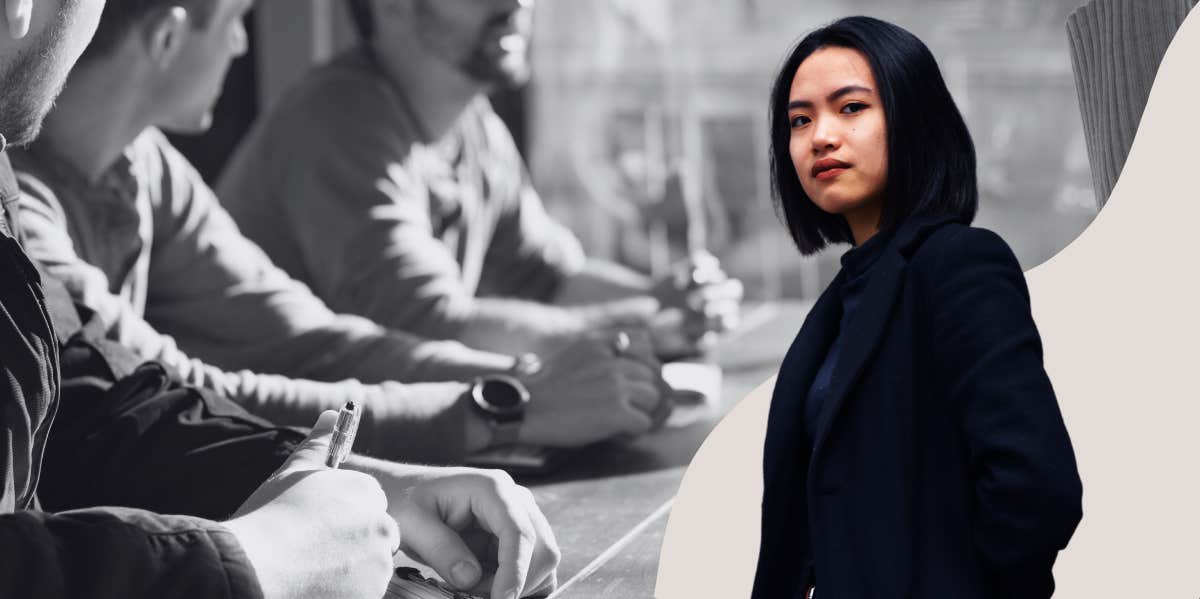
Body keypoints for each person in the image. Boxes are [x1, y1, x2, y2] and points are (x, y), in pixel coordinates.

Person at [1, 2, 559, 598]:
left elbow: (96, 408)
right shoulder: (338, 114)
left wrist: (350, 482)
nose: (243, 44)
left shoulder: (130, 167)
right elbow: (413, 313)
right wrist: (252, 560)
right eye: (235, 18)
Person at [11, 0, 666, 464]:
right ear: (166, 39)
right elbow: (181, 401)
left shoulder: (142, 164)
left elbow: (306, 339)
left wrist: (527, 377)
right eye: (239, 19)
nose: (243, 46)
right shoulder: (19, 214)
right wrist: (510, 404)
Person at [751, 17, 1082, 599]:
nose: (820, 136)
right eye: (799, 120)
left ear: (913, 119)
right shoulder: (842, 299)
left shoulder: (958, 263)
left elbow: (1038, 487)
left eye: (850, 108)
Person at [216, 0, 743, 360]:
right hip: (264, 470)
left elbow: (548, 278)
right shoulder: (337, 119)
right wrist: (644, 324)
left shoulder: (473, 125)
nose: (521, 3)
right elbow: (430, 329)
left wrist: (665, 297)